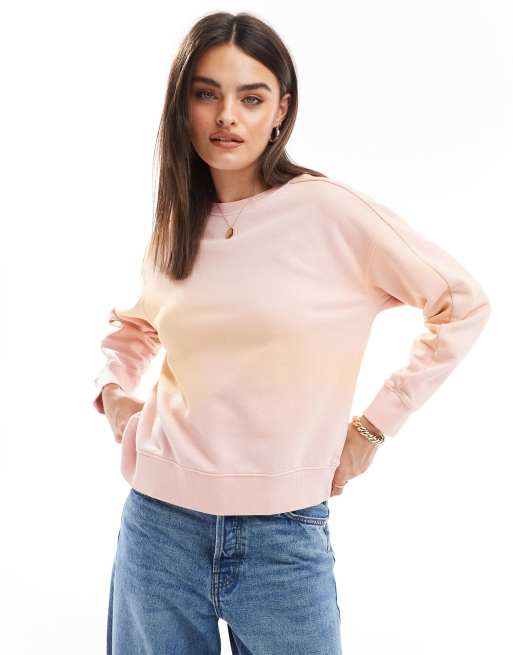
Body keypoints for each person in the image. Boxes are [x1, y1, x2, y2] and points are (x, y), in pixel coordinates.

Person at [93, 11, 491, 655]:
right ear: (182, 106)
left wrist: (372, 428)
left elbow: (461, 303)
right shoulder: (178, 220)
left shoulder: (329, 211)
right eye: (206, 93)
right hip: (158, 531)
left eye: (251, 98)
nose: (227, 116)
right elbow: (138, 324)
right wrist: (114, 393)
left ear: (281, 109)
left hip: (283, 540)